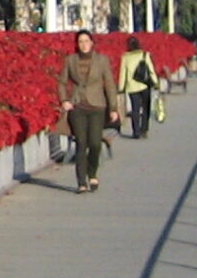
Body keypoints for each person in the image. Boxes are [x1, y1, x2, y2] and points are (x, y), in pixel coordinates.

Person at [57, 29, 120, 193]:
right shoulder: (70, 60)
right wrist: (64, 100)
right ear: (77, 44)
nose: (84, 45)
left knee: (95, 143)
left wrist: (113, 108)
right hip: (77, 106)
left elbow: (110, 84)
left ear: (92, 43)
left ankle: (92, 173)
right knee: (81, 142)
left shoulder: (101, 60)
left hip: (97, 106)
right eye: (80, 42)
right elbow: (62, 82)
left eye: (86, 41)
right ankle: (81, 182)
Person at [118, 37, 157, 140]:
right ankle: (144, 129)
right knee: (145, 108)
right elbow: (151, 70)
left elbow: (123, 73)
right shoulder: (144, 54)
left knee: (135, 109)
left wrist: (121, 87)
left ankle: (136, 132)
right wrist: (155, 82)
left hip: (132, 87)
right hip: (144, 85)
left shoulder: (125, 57)